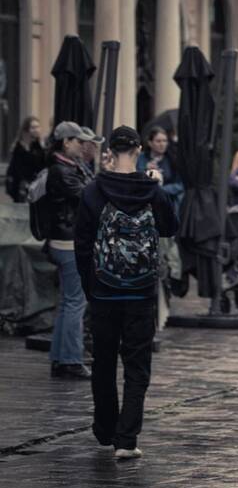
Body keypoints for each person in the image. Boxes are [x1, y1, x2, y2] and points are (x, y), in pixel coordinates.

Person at [73, 126, 178, 459]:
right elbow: (170, 227)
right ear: (138, 150)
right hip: (141, 291)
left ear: (110, 152)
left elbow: (82, 243)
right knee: (137, 366)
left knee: (103, 362)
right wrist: (158, 185)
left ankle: (105, 430)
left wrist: (90, 285)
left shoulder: (93, 190)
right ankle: (127, 439)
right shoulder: (152, 190)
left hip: (104, 290)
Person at [44, 121, 97, 379]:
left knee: (68, 302)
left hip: (64, 240)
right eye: (78, 141)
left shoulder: (67, 167)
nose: (83, 145)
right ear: (66, 142)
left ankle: (61, 357)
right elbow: (89, 197)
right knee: (76, 302)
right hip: (67, 242)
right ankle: (71, 360)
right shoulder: (62, 171)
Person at [137, 126, 184, 212]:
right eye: (158, 141)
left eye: (165, 141)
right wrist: (145, 169)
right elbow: (134, 178)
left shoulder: (172, 159)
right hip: (145, 202)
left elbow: (180, 185)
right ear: (150, 143)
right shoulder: (141, 158)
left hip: (167, 202)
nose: (162, 144)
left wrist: (161, 189)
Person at [6, 116, 47, 202]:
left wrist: (43, 147)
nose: (37, 129)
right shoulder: (19, 147)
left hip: (34, 185)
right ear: (27, 130)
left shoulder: (38, 145)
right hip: (21, 186)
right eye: (33, 127)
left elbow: (42, 165)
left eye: (38, 127)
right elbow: (17, 169)